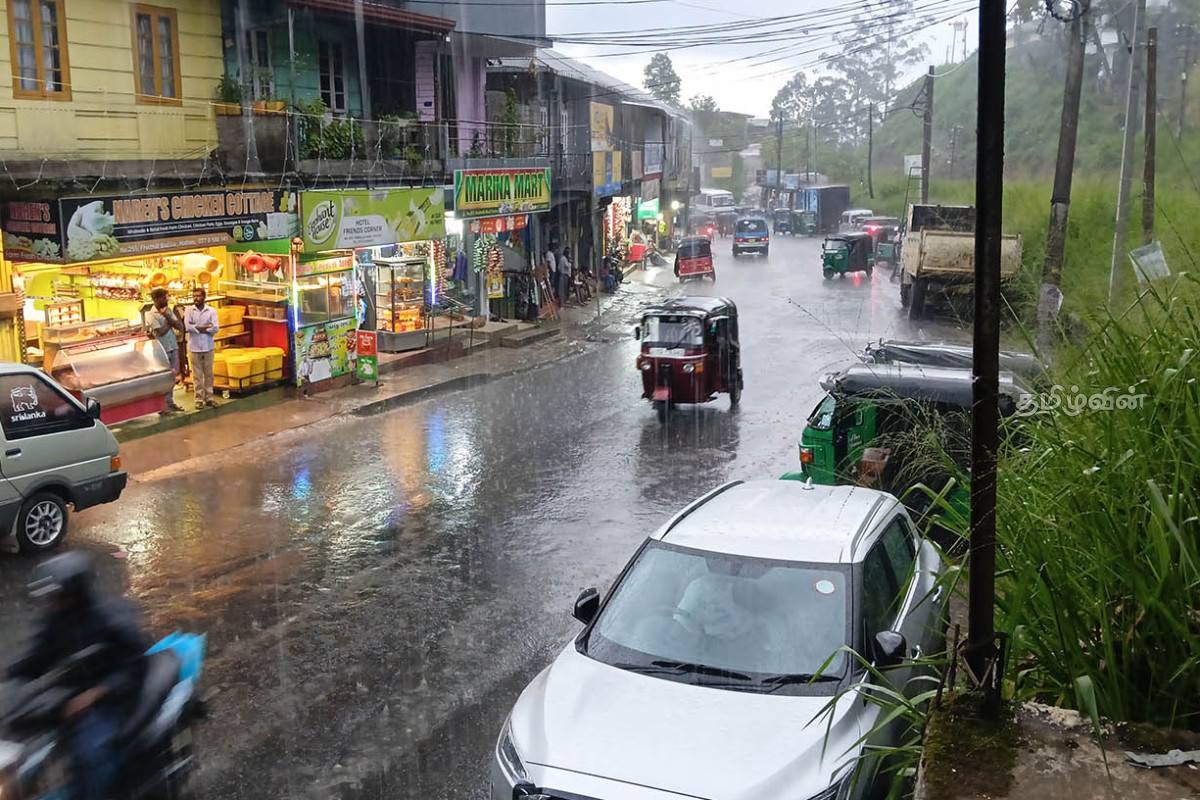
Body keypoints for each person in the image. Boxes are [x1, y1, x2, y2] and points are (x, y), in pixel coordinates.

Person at [7, 552, 150, 800]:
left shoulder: (111, 619)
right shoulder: (58, 619)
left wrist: (95, 694)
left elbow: (136, 666)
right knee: (24, 727)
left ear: (75, 593)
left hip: (115, 697)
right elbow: (39, 657)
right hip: (77, 687)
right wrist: (10, 675)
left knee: (89, 754)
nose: (51, 604)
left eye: (56, 597)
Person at [145, 288, 184, 413]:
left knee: (172, 376)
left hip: (173, 346)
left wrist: (167, 316)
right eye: (163, 298)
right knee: (162, 378)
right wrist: (169, 321)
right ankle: (161, 406)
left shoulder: (168, 310)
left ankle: (170, 402)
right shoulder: (150, 314)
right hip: (161, 350)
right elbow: (160, 331)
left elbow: (179, 325)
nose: (166, 300)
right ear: (156, 300)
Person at [184, 287, 219, 410]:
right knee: (197, 375)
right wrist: (205, 327)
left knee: (209, 374)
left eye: (198, 296)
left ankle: (209, 398)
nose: (196, 298)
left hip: (208, 346)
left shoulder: (211, 311)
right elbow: (188, 327)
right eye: (194, 296)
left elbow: (215, 328)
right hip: (194, 348)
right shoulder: (189, 311)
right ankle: (198, 399)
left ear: (204, 297)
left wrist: (197, 328)